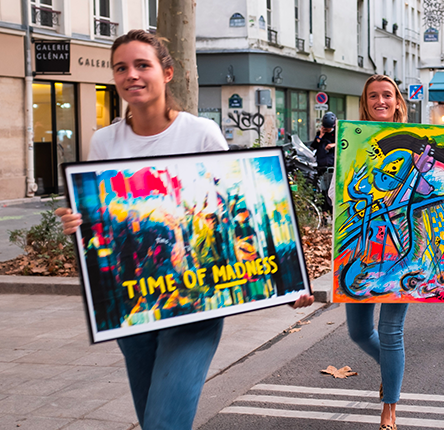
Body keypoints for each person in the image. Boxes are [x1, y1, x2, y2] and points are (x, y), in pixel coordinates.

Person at [54, 30, 313, 430]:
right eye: (121, 68)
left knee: (163, 422)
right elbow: (102, 227)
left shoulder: (199, 133)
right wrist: (79, 222)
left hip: (197, 302)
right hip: (135, 306)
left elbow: (232, 212)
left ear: (168, 72)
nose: (131, 75)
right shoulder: (104, 141)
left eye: (143, 65)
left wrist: (285, 284)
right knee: (153, 419)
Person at [346, 74, 411, 430]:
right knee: (357, 332)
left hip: (399, 250)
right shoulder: (352, 142)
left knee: (390, 332)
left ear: (398, 102)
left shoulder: (415, 143)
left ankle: (390, 407)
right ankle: (392, 368)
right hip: (361, 248)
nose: (381, 101)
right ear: (366, 102)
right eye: (374, 96)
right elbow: (342, 194)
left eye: (387, 95)